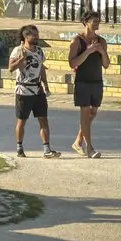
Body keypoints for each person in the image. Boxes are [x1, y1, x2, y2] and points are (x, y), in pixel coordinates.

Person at [8, 25, 61, 158]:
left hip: (38, 90)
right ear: (26, 36)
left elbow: (41, 69)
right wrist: (22, 58)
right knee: (22, 120)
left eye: (37, 35)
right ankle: (19, 147)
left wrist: (46, 86)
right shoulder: (18, 50)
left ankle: (47, 149)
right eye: (34, 35)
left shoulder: (39, 51)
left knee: (43, 119)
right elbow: (11, 68)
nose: (37, 37)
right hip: (23, 90)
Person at [67, 10, 110, 158]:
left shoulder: (101, 41)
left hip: (97, 82)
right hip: (83, 82)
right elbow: (72, 63)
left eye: (98, 21)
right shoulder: (77, 41)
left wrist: (101, 51)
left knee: (92, 113)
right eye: (94, 21)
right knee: (85, 114)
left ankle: (78, 141)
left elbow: (106, 64)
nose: (97, 23)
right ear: (86, 22)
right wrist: (88, 51)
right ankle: (90, 148)